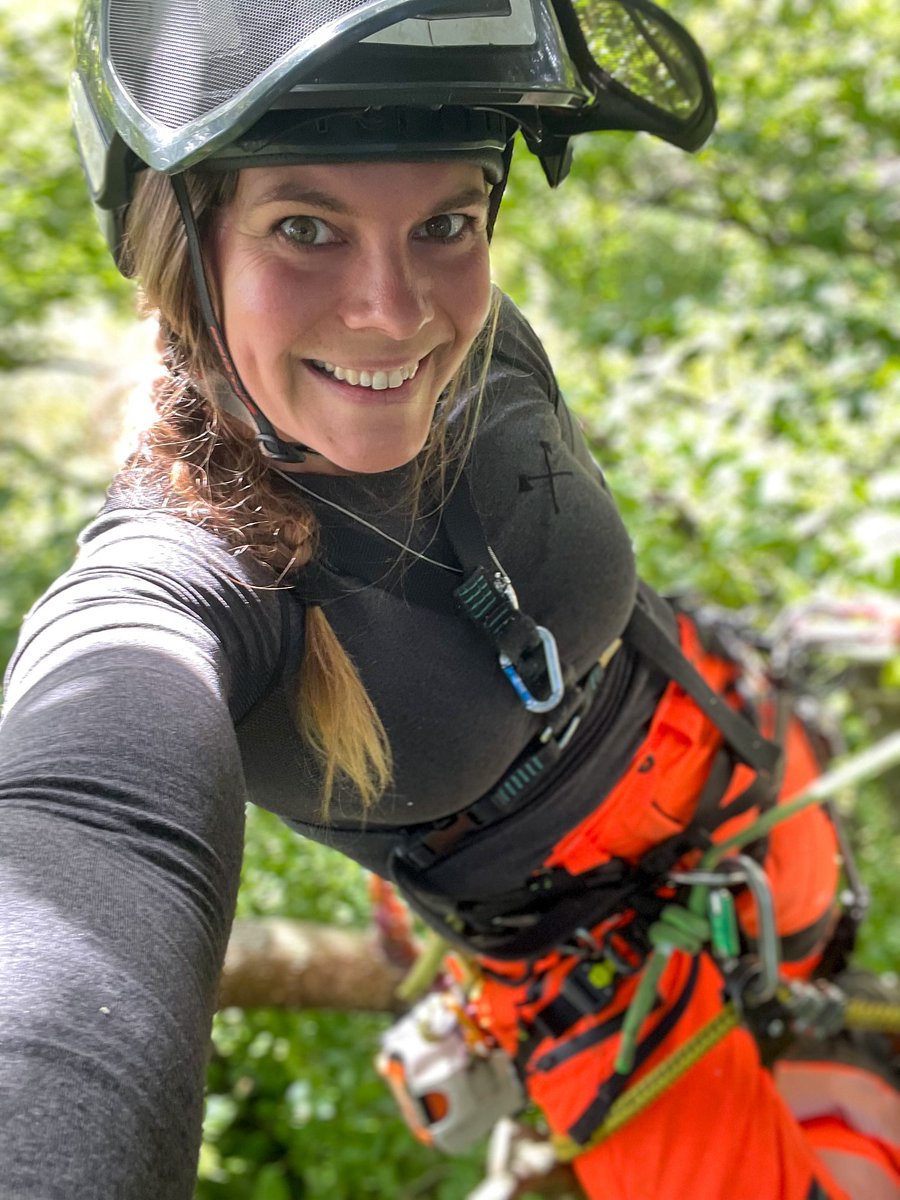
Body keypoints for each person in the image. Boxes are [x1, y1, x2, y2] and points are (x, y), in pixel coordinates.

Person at [1, 0, 898, 1197]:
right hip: (590, 969)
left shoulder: (485, 349)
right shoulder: (187, 579)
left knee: (821, 951)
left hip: (730, 738)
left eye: (447, 221)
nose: (396, 308)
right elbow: (83, 828)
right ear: (186, 250)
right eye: (306, 225)